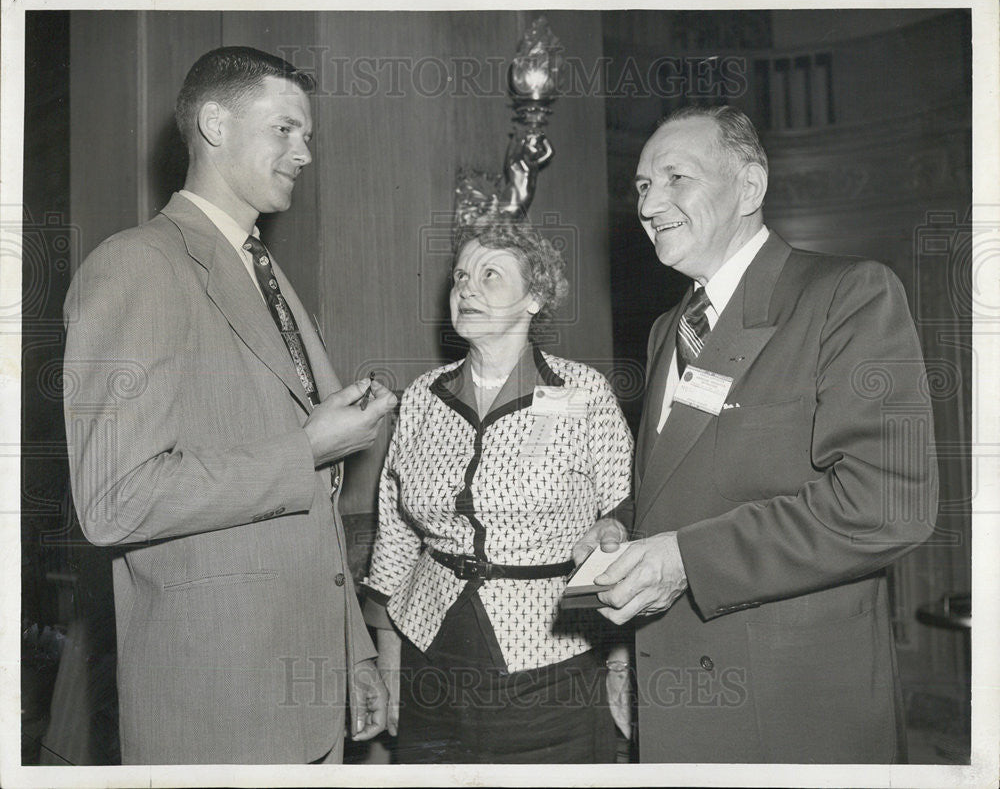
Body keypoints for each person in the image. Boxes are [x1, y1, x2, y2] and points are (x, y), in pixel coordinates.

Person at [573, 105, 938, 763]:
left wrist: (683, 558)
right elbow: (686, 484)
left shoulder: (849, 295)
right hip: (677, 682)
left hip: (791, 706)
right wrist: (622, 526)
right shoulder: (668, 329)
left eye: (675, 177)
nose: (650, 203)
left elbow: (888, 504)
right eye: (641, 186)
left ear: (749, 186)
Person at [62, 46, 395, 764]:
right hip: (216, 712)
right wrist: (305, 446)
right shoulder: (136, 265)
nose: (305, 152)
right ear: (215, 123)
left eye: (307, 135)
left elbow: (311, 503)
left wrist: (352, 649)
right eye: (285, 129)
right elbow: (114, 500)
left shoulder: (263, 270)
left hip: (307, 699)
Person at [363, 219, 634, 763]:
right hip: (430, 655)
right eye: (461, 275)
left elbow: (624, 512)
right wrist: (386, 656)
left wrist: (623, 663)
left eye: (490, 275)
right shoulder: (423, 396)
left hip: (550, 664)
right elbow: (394, 532)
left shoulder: (581, 392)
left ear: (535, 298)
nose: (466, 288)